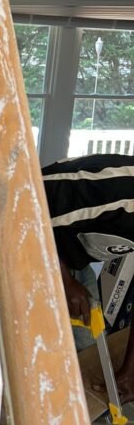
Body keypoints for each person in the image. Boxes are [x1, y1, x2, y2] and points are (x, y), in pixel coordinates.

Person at [43, 153, 134, 401]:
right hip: (15, 233)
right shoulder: (115, 188)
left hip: (70, 254)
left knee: (88, 349)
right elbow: (23, 206)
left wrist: (129, 373)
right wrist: (64, 280)